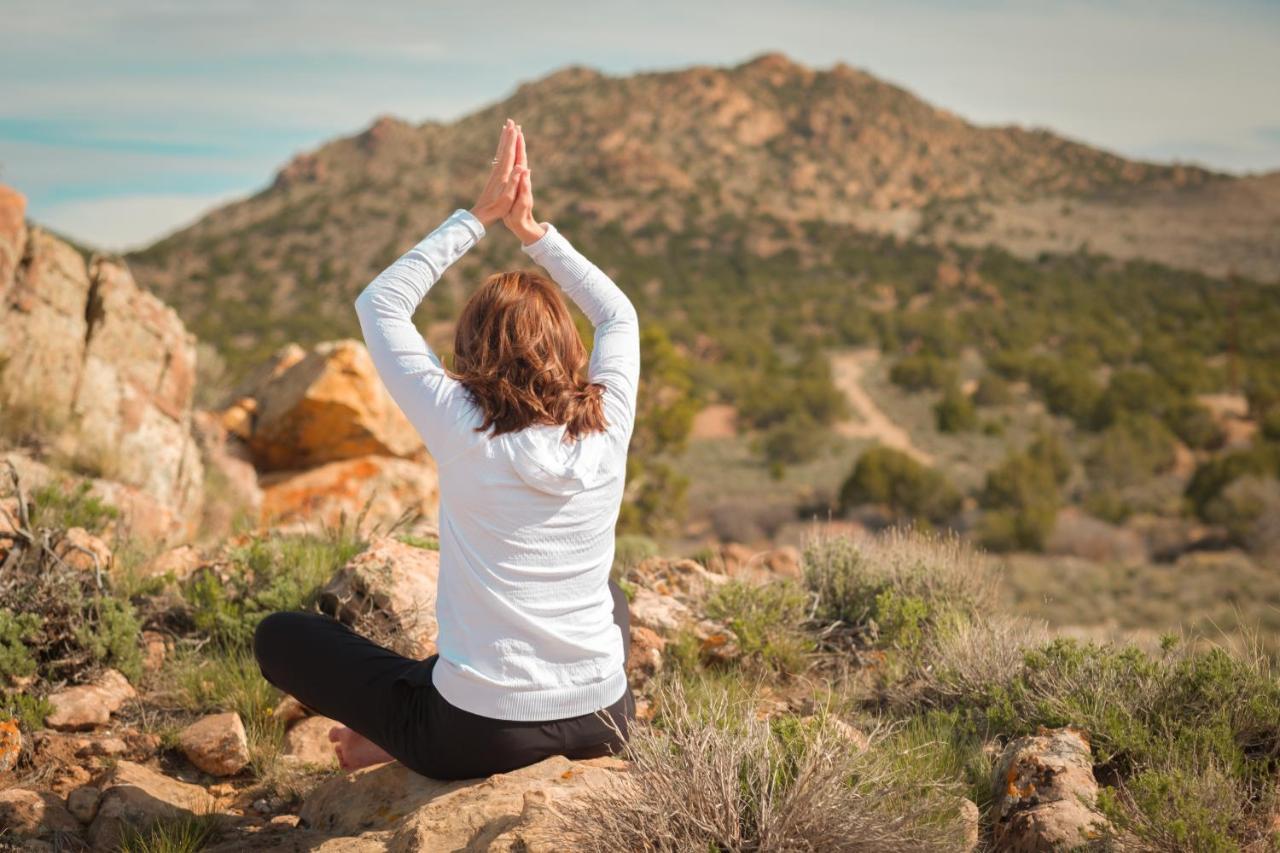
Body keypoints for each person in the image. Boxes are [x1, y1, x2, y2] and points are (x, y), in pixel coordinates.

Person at [252, 117, 641, 780]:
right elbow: (618, 315)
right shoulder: (606, 423)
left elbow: (381, 304)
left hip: (479, 735)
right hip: (605, 718)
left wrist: (479, 217)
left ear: (472, 351)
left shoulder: (461, 421)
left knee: (280, 636)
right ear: (570, 350)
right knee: (605, 592)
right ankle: (416, 716)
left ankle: (398, 731)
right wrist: (534, 232)